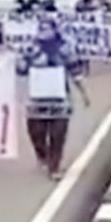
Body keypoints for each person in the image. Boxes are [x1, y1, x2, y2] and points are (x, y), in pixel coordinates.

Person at [18, 18, 90, 181]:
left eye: (48, 29)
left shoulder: (65, 49)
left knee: (58, 133)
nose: (45, 33)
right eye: (42, 29)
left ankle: (54, 166)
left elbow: (75, 72)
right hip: (36, 99)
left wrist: (84, 94)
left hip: (59, 98)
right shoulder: (30, 48)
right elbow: (20, 69)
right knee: (36, 132)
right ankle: (42, 154)